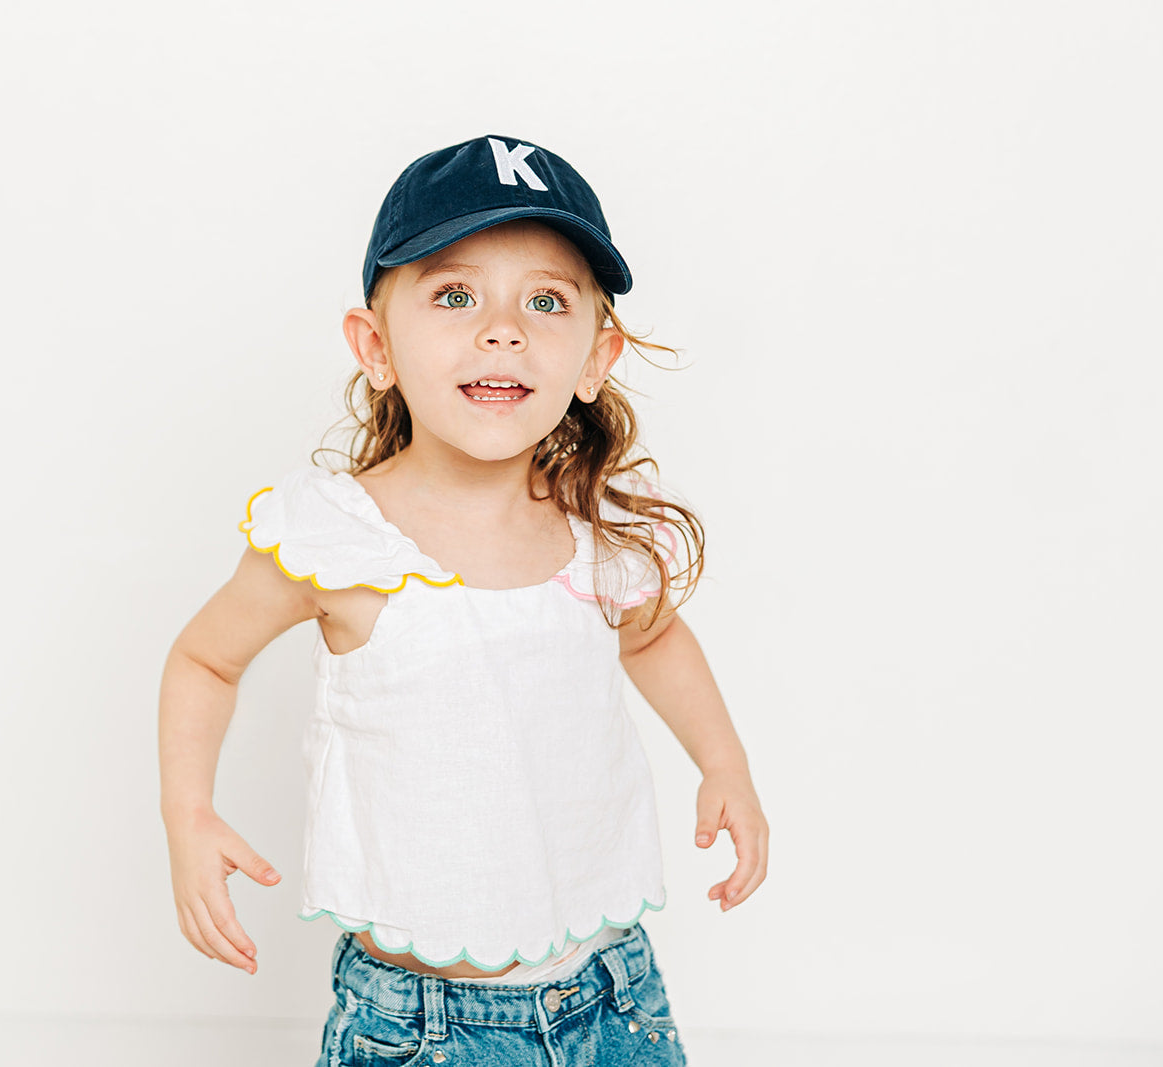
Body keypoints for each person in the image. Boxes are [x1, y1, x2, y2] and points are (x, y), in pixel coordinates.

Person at [159, 134, 768, 1066]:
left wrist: (724, 762)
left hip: (612, 996)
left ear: (596, 357)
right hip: (419, 1026)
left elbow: (653, 639)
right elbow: (206, 659)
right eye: (455, 295)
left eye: (546, 300)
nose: (503, 329)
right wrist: (188, 814)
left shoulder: (597, 531)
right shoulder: (336, 539)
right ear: (376, 346)